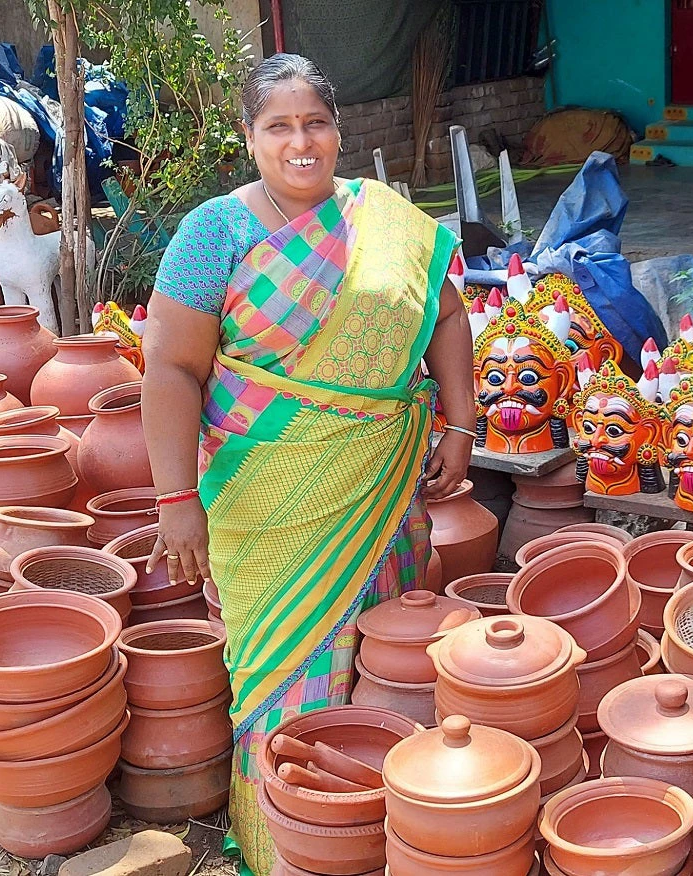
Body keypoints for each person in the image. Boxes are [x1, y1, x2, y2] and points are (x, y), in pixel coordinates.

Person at [139, 53, 475, 873]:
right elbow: (171, 368)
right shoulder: (213, 231)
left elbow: (449, 308)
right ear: (248, 137)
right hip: (265, 495)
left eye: (315, 122)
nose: (301, 143)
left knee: (384, 655)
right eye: (278, 126)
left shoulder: (386, 223)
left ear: (338, 129)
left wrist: (461, 422)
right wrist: (176, 499)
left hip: (382, 485)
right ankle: (279, 841)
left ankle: (378, 833)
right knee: (275, 665)